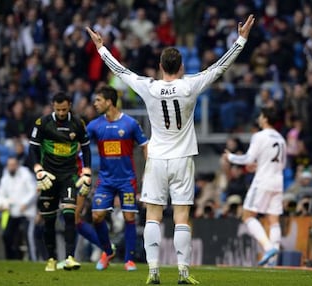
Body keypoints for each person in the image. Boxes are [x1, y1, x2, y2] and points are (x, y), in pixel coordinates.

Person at [87, 14, 255, 284]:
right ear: (181, 66)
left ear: (160, 66)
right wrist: (241, 40)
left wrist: (100, 47)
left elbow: (119, 71)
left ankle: (153, 271)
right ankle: (183, 272)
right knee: (181, 216)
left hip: (156, 158)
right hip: (183, 159)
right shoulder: (190, 86)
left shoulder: (150, 88)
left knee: (153, 214)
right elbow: (219, 67)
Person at [75, 86, 148, 271]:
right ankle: (108, 251)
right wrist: (82, 164)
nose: (95, 103)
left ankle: (129, 260)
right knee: (97, 216)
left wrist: (148, 172)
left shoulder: (130, 124)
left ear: (109, 102)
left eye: (98, 100)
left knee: (129, 216)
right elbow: (82, 145)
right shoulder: (95, 125)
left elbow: (145, 146)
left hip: (126, 180)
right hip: (105, 180)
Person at [28, 91, 91, 271]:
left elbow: (86, 149)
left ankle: (70, 257)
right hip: (48, 176)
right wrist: (38, 169)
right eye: (58, 109)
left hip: (68, 175)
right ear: (53, 107)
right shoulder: (43, 123)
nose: (62, 113)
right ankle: (51, 259)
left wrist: (86, 171)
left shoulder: (78, 124)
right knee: (48, 220)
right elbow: (32, 149)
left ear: (69, 105)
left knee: (70, 214)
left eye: (64, 109)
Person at [223, 106, 286, 266]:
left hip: (262, 181)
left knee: (247, 215)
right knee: (274, 220)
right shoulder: (281, 139)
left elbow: (248, 159)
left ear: (265, 119)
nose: (259, 118)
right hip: (277, 181)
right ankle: (273, 262)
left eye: (261, 115)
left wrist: (230, 157)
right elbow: (281, 164)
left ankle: (268, 247)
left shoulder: (259, 136)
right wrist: (259, 165)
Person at [0, 156, 37, 260]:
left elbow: (34, 191)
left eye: (13, 165)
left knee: (29, 236)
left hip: (26, 212)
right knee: (6, 235)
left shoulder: (25, 174)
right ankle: (11, 259)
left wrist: (25, 203)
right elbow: (1, 194)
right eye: (9, 165)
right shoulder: (5, 177)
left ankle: (33, 259)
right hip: (13, 212)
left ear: (17, 165)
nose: (11, 167)